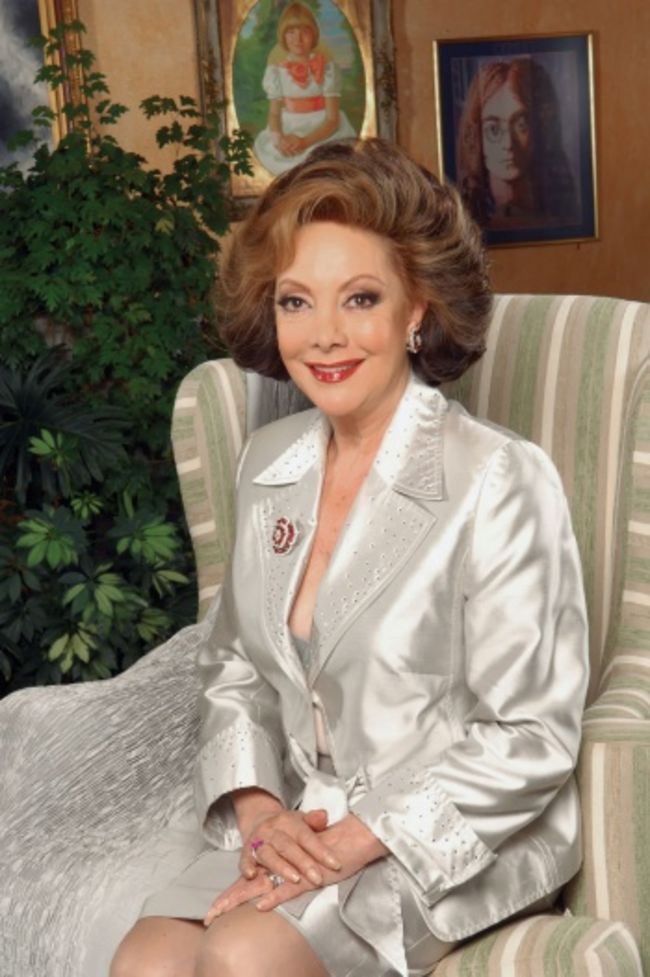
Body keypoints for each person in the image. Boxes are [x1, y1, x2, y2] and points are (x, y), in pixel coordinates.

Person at [110, 138, 589, 977]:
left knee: (242, 954)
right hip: (303, 818)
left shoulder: (498, 478)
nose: (324, 336)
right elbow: (233, 668)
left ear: (416, 310)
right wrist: (262, 816)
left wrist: (358, 841)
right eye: (296, 302)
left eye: (360, 298)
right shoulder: (270, 460)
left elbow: (530, 734)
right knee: (145, 961)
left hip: (453, 831)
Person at [456, 57, 579, 228]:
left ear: (539, 128)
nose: (508, 143)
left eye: (521, 125)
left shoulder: (560, 213)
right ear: (476, 136)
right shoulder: (466, 218)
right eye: (493, 129)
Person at [253, 2, 356, 175]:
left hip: (322, 130)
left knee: (323, 161)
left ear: (314, 35)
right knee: (282, 161)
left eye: (305, 32)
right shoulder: (276, 72)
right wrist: (280, 140)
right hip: (288, 127)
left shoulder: (327, 69)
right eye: (291, 32)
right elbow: (275, 114)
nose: (298, 39)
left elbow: (332, 119)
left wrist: (304, 142)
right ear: (283, 36)